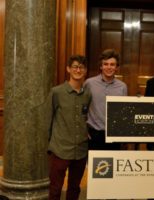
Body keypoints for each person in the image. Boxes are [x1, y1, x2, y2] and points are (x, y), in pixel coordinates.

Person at [48, 55, 91, 200]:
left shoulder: (88, 94)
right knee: (55, 188)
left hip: (80, 149)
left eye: (81, 67)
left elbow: (86, 117)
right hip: (60, 148)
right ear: (68, 69)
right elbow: (48, 119)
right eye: (75, 67)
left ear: (85, 71)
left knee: (74, 188)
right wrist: (49, 145)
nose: (78, 70)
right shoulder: (56, 92)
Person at [85, 49, 127, 150]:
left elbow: (124, 112)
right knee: (95, 166)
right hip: (94, 134)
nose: (109, 67)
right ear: (101, 66)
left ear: (117, 68)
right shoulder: (89, 84)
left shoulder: (122, 87)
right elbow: (83, 107)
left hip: (115, 135)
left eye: (112, 64)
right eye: (106, 64)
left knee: (113, 165)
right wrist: (83, 130)